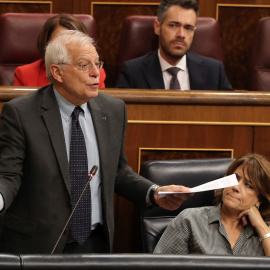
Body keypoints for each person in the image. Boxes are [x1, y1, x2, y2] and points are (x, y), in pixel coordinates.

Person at [0, 30, 191, 254]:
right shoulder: (21, 113)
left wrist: (153, 192)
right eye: (84, 65)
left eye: (97, 64)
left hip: (95, 243)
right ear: (57, 72)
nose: (96, 73)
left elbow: (117, 171)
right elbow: (9, 175)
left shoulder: (113, 110)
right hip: (39, 245)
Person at [154, 153, 270, 256]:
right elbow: (158, 266)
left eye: (248, 185)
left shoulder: (265, 230)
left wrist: (260, 225)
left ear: (260, 199)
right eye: (234, 178)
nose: (235, 187)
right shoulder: (190, 219)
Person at [116, 0, 232, 90]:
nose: (181, 35)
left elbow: (230, 114)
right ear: (157, 27)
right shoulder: (133, 72)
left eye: (188, 28)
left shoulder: (214, 71)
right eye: (173, 25)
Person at [13, 14, 106, 88]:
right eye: (61, 42)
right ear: (46, 45)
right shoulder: (25, 74)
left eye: (75, 41)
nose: (67, 47)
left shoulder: (96, 72)